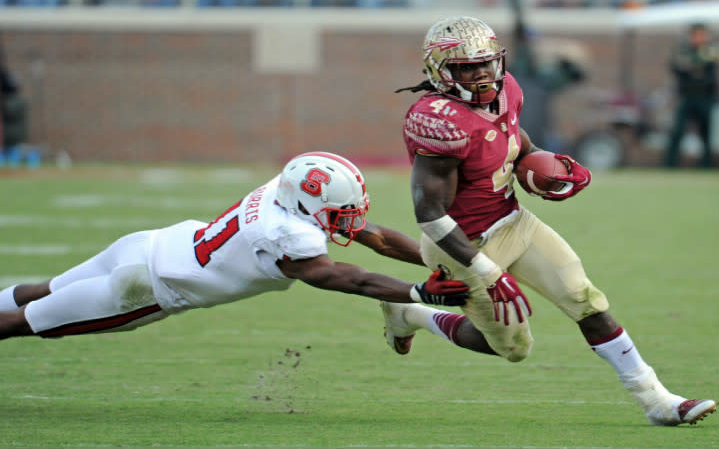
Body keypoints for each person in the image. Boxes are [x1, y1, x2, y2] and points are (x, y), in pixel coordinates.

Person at [383, 16, 716, 426]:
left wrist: (541, 166)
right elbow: (430, 214)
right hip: (463, 244)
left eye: (486, 63)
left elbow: (512, 136)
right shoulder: (439, 120)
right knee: (511, 347)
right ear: (439, 70)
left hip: (514, 222)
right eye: (467, 67)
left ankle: (658, 401)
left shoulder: (507, 90)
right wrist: (486, 269)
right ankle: (412, 313)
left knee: (586, 300)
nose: (481, 74)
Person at [0, 151, 470, 340]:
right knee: (26, 324)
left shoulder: (281, 191)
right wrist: (419, 292)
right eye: (340, 211)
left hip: (145, 245)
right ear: (307, 202)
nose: (350, 221)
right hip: (147, 286)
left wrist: (437, 258)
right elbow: (346, 277)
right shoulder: (292, 235)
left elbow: (378, 238)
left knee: (37, 293)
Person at [664, 22, 719, 168]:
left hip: (705, 97)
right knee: (678, 130)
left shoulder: (711, 50)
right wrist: (696, 65)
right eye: (696, 35)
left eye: (702, 35)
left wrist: (694, 65)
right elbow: (677, 66)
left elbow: (711, 70)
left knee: (705, 132)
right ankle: (669, 164)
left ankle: (706, 165)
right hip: (687, 97)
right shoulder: (684, 51)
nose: (699, 38)